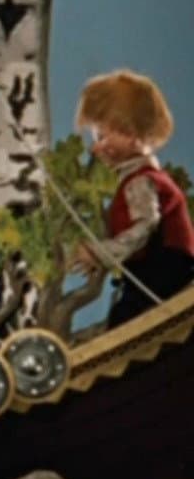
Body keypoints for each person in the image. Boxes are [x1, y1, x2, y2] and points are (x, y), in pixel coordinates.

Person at [71, 70, 194, 327]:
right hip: (153, 271)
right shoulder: (137, 178)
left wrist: (100, 252)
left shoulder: (140, 181)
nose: (96, 147)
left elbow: (144, 227)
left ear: (131, 134)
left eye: (103, 136)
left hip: (164, 273)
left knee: (124, 320)